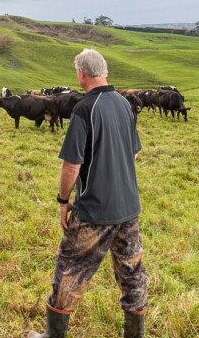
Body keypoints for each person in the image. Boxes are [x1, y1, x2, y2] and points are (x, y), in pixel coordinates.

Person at [27, 48, 147, 338]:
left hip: (94, 210)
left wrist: (63, 200)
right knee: (133, 273)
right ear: (103, 70)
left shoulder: (83, 109)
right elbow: (132, 154)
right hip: (128, 208)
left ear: (81, 73)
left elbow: (72, 165)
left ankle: (53, 335)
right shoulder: (124, 104)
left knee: (70, 267)